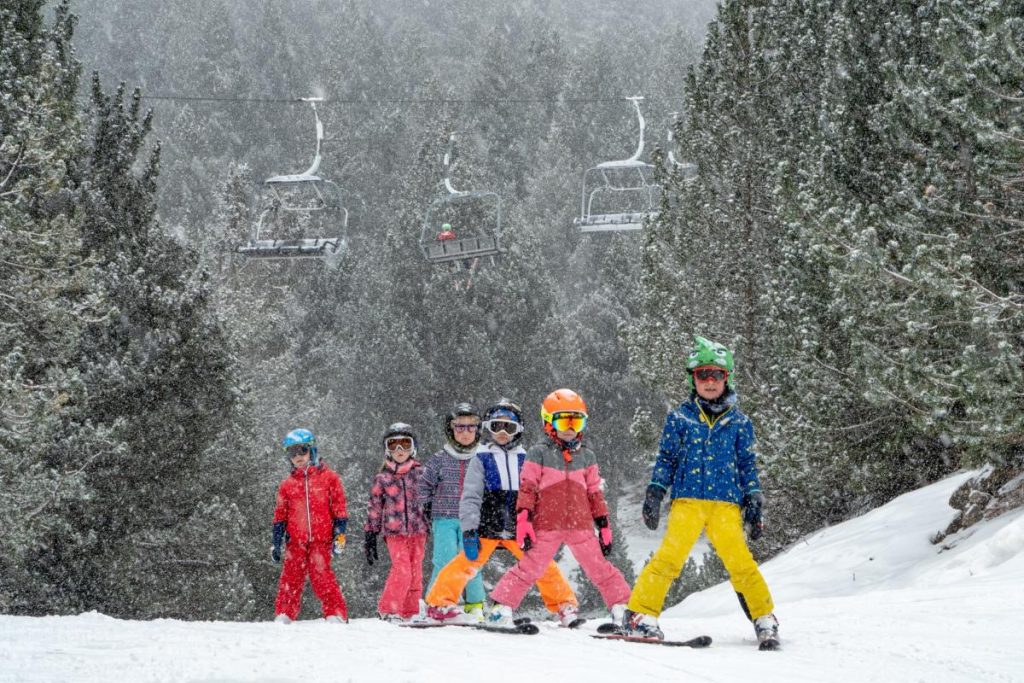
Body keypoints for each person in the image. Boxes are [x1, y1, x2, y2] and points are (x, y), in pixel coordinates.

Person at [622, 336, 780, 648]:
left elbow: (747, 464)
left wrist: (753, 497)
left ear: (727, 378)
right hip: (688, 501)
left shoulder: (740, 422)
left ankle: (764, 618)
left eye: (716, 375)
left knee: (741, 563)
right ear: (693, 379)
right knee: (669, 558)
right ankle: (640, 614)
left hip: (725, 504)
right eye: (702, 375)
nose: (709, 382)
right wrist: (655, 492)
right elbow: (666, 458)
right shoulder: (680, 418)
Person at [424, 399, 578, 625]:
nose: (503, 433)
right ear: (488, 428)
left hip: (519, 527)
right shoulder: (482, 458)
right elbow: (471, 496)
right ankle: (439, 603)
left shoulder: (527, 458)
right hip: (487, 525)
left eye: (510, 427)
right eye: (497, 427)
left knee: (542, 564)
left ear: (519, 430)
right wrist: (469, 529)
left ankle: (564, 605)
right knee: (466, 563)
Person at [487, 389, 631, 627]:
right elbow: (528, 488)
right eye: (564, 420)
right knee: (529, 568)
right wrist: (524, 520)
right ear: (549, 422)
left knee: (601, 569)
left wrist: (603, 525)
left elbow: (595, 493)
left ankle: (624, 608)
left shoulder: (587, 456)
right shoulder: (539, 452)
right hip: (547, 524)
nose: (570, 428)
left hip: (581, 526)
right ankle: (500, 609)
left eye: (577, 421)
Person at [417, 402, 487, 621]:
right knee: (444, 560)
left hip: (473, 521)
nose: (465, 433)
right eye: (459, 427)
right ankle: (435, 602)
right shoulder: (439, 458)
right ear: (451, 429)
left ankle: (475, 604)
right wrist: (426, 506)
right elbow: (423, 485)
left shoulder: (483, 457)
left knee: (471, 561)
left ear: (478, 430)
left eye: (471, 427)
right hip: (444, 517)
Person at [271, 428, 348, 624]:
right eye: (292, 453)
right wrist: (277, 540)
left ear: (312, 450)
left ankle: (335, 612)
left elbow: (339, 508)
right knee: (290, 578)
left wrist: (339, 534)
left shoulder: (329, 478)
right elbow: (280, 514)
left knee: (322, 576)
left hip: (321, 540)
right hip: (295, 541)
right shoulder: (287, 485)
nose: (298, 457)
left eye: (302, 451)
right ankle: (285, 613)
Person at [364, 423, 430, 623]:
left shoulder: (421, 473)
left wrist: (434, 516)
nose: (400, 451)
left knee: (415, 571)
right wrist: (370, 533)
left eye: (404, 445)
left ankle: (409, 611)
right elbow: (375, 506)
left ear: (413, 447)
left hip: (418, 530)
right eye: (394, 445)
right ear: (387, 449)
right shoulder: (383, 477)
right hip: (395, 532)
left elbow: (431, 499)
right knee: (402, 569)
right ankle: (389, 609)